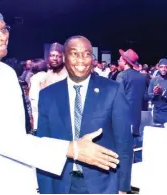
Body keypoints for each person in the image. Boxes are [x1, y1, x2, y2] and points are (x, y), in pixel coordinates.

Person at [0, 1, 119, 193]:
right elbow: (5, 140)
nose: (3, 36)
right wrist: (73, 149)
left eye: (4, 29)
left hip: (14, 178)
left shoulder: (7, 72)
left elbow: (18, 134)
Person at [36, 36, 132, 194]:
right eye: (74, 53)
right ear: (64, 58)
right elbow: (43, 145)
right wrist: (46, 189)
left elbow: (124, 143)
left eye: (87, 54)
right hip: (61, 185)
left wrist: (122, 188)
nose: (81, 59)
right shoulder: (48, 96)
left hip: (103, 185)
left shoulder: (112, 90)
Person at [116, 49, 147, 162]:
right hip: (136, 117)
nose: (118, 62)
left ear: (124, 62)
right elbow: (145, 97)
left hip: (123, 116)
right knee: (134, 145)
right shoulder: (142, 77)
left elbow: (118, 97)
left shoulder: (121, 76)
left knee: (122, 148)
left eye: (119, 60)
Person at [145, 59, 167, 125]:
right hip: (156, 113)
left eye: (165, 67)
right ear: (158, 67)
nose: (163, 69)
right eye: (161, 67)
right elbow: (148, 96)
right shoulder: (153, 80)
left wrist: (163, 93)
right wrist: (154, 93)